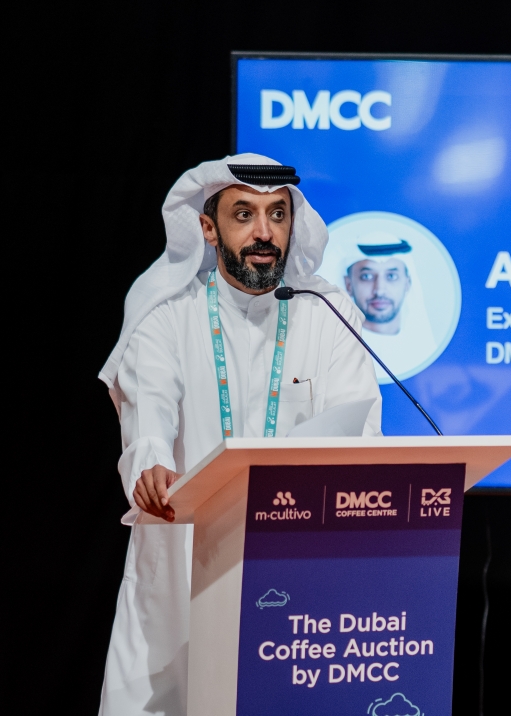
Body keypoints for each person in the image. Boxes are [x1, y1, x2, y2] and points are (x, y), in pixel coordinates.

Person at [97, 156, 382, 716]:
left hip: (298, 570)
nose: (264, 232)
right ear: (209, 229)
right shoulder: (167, 317)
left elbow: (359, 429)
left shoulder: (328, 315)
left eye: (277, 214)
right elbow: (150, 411)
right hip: (183, 571)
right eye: (244, 214)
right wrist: (152, 463)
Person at [338, 233, 438, 381]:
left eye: (391, 276)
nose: (379, 290)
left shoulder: (423, 354)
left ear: (407, 284)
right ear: (348, 285)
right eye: (367, 276)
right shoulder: (333, 354)